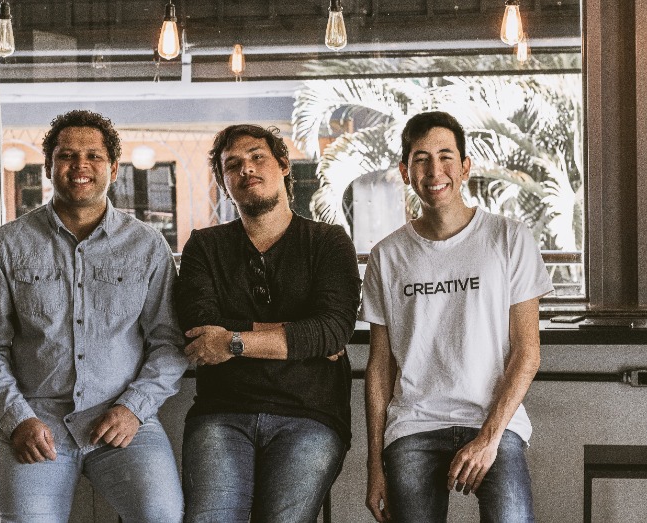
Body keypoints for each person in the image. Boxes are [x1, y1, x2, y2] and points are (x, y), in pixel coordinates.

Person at [0, 110, 187, 522]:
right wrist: (16, 418)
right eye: (66, 155)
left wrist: (134, 407)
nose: (80, 165)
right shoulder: (6, 244)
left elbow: (169, 344)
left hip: (123, 421)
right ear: (48, 167)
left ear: (113, 168)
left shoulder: (148, 245)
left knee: (163, 517)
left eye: (94, 156)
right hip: (36, 424)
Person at [361, 111, 554, 522]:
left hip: (495, 422)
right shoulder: (386, 256)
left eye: (446, 156)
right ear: (405, 171)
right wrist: (374, 465)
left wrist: (488, 438)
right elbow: (379, 368)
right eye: (421, 159)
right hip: (413, 425)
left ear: (465, 166)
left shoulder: (509, 239)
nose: (436, 171)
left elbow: (528, 354)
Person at [175, 124, 361, 522]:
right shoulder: (204, 246)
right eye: (232, 165)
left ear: (283, 165)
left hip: (310, 415)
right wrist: (299, 335)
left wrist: (233, 341)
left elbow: (332, 329)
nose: (246, 169)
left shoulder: (329, 242)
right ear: (224, 184)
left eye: (257, 157)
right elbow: (200, 329)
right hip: (222, 413)